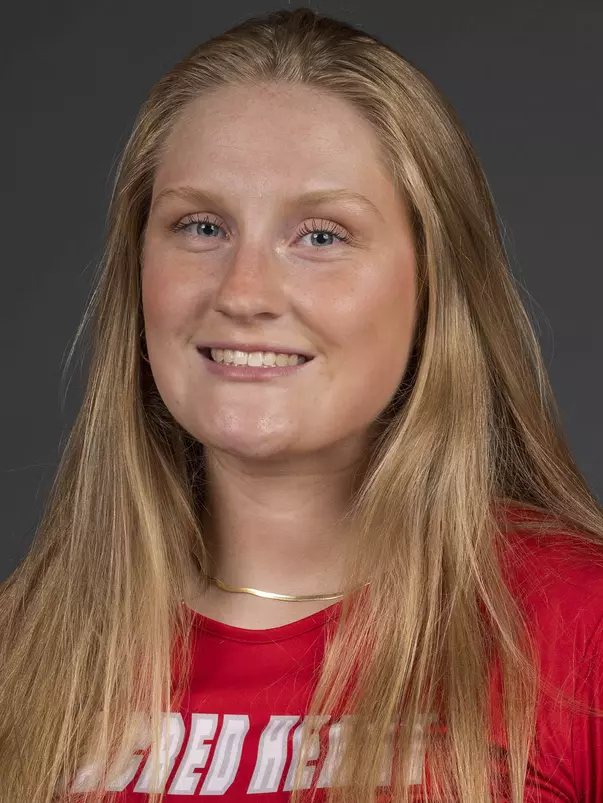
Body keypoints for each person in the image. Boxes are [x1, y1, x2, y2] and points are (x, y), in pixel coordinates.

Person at [1, 7, 602, 803]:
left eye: (320, 236)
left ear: (433, 285)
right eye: (201, 225)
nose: (244, 292)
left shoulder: (576, 631)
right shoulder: (23, 649)